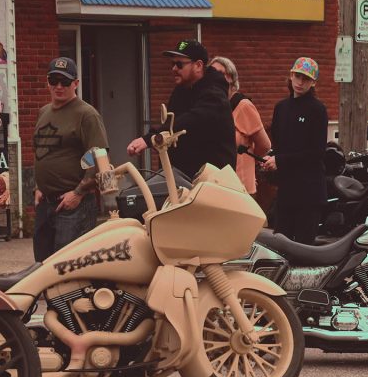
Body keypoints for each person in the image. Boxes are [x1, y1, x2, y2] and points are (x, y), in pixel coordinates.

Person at [32, 57, 108, 262]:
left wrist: (79, 193)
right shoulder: (43, 112)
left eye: (65, 82)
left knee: (67, 269)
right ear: (47, 81)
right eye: (53, 80)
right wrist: (39, 186)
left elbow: (99, 157)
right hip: (45, 204)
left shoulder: (86, 114)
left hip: (73, 206)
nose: (58, 86)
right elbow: (42, 151)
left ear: (76, 83)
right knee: (42, 268)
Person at [125, 39, 235, 179]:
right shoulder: (181, 90)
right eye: (172, 64)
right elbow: (171, 123)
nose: (174, 69)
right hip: (182, 178)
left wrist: (149, 139)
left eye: (179, 64)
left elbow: (191, 120)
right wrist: (152, 137)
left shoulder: (214, 95)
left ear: (198, 65)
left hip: (211, 182)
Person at [261, 57, 328, 244]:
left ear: (313, 82)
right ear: (291, 76)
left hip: (309, 192)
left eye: (305, 79)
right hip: (286, 190)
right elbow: (279, 145)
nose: (300, 82)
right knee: (281, 244)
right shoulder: (281, 108)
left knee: (303, 248)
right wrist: (271, 157)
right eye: (297, 76)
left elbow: (316, 153)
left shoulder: (318, 110)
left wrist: (280, 161)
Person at [208, 56, 271, 195]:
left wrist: (248, 165)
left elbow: (264, 145)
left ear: (230, 78)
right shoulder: (210, 105)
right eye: (211, 73)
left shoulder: (243, 106)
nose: (214, 78)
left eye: (219, 73)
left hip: (240, 188)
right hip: (217, 186)